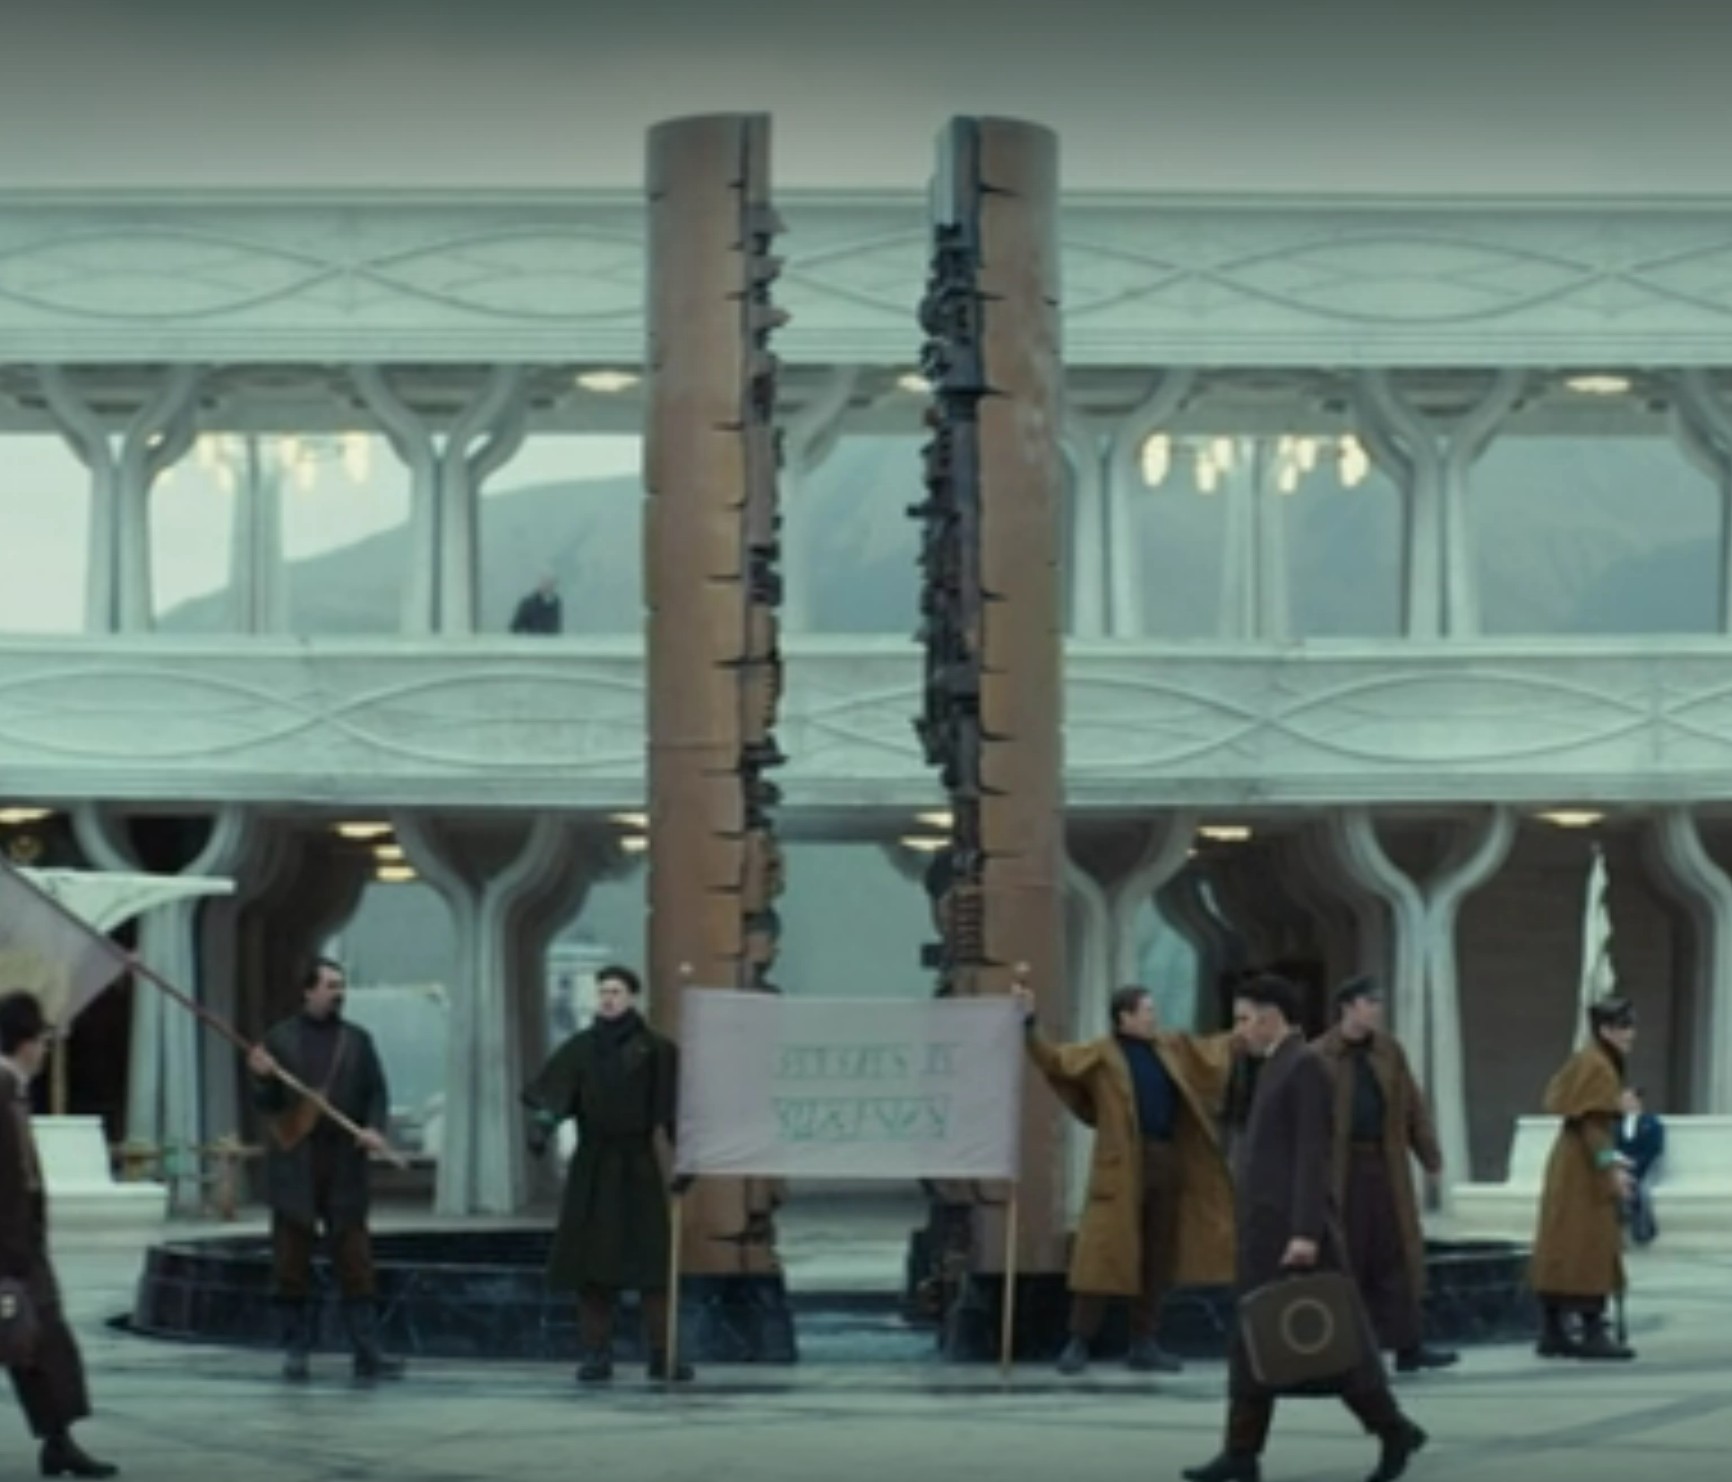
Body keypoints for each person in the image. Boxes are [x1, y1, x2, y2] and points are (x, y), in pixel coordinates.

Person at [1184, 975, 1426, 1482]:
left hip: (1293, 1235)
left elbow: (1312, 1155)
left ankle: (1393, 1428)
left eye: (1245, 1019)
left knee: (1332, 1344)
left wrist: (1305, 1232)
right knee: (1255, 1340)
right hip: (1264, 1231)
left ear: (1272, 1017)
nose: (1239, 1031)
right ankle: (1240, 1452)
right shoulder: (1270, 1067)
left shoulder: (1305, 1067)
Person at [1014, 981, 1237, 1376]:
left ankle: (1144, 1341)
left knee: (1157, 1253)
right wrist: (1030, 1023)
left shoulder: (1169, 1048)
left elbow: (1210, 1053)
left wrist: (1246, 1034)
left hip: (1165, 1159)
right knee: (1101, 1255)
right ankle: (1079, 1340)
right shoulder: (1102, 1054)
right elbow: (1055, 1060)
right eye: (1147, 1011)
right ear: (1125, 1017)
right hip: (1121, 1166)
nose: (1154, 1017)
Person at [522, 964, 690, 1383]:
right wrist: (542, 1128)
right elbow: (556, 1095)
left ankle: (662, 1353)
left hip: (638, 1165)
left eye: (616, 992)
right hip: (594, 1166)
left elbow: (673, 1111)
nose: (608, 999)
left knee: (652, 1265)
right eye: (603, 992)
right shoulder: (580, 1049)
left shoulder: (657, 1050)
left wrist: (686, 1160)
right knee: (592, 1266)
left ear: (632, 997)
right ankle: (595, 1353)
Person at [246, 957, 403, 1383]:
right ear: (308, 990)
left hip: (344, 1164)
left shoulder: (357, 1041)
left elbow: (376, 1092)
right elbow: (267, 1106)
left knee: (356, 1260)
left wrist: (373, 1129)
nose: (338, 993)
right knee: (290, 1261)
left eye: (341, 986)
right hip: (296, 1164)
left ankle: (367, 1352)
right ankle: (296, 1351)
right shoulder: (280, 1041)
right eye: (331, 985)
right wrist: (263, 1079)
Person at [1312, 978, 1456, 1373]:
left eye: (1378, 1002)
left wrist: (1429, 1155)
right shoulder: (1320, 1055)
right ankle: (1353, 1349)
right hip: (1343, 1170)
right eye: (1368, 1002)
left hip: (1386, 1163)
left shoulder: (1388, 1051)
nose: (1376, 1009)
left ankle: (1409, 1343)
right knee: (1349, 1254)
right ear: (1347, 1006)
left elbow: (1412, 1106)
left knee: (1395, 1253)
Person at [0, 991, 116, 1478]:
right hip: (9, 1249)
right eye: (43, 1040)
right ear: (26, 1042)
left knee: (42, 1344)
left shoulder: (14, 1091)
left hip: (23, 1247)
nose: (46, 1050)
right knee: (28, 1338)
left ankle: (58, 1442)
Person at [1531, 997, 1637, 1360]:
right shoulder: (1598, 1065)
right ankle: (1591, 1328)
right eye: (1623, 1026)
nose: (1630, 1034)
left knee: (1563, 1243)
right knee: (1590, 1244)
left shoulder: (1588, 1059)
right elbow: (1595, 1126)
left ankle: (1553, 1329)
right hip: (1584, 1168)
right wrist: (1611, 1170)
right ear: (1605, 1030)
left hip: (1571, 1161)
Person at [1616, 1086, 1664, 1246]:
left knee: (1642, 1191)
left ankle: (1643, 1231)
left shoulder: (1653, 1123)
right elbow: (1606, 1150)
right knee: (1615, 1189)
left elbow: (1655, 1149)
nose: (1624, 1103)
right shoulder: (1614, 1124)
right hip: (1618, 1168)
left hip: (1645, 1166)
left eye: (1628, 1099)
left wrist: (1635, 1166)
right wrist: (1619, 1167)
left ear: (1638, 1101)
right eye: (1622, 1100)